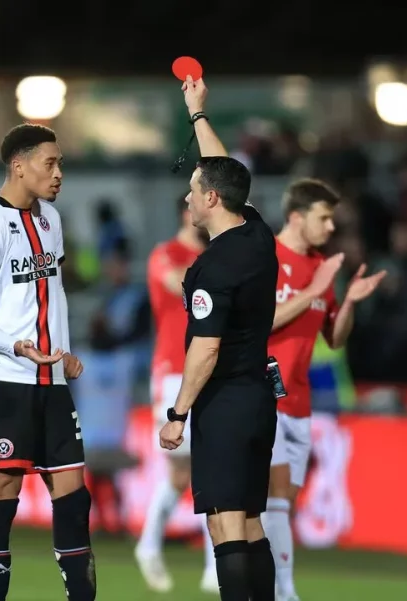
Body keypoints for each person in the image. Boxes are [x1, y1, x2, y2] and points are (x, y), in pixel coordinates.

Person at [0, 124, 93, 601]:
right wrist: (17, 347)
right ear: (19, 165)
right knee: (1, 500)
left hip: (52, 381)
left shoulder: (51, 219)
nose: (58, 174)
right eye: (49, 163)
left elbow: (52, 295)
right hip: (6, 380)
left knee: (75, 501)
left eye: (60, 164)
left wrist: (65, 351)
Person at [156, 75, 277, 601]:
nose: (187, 196)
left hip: (223, 404)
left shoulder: (211, 270)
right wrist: (198, 115)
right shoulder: (256, 236)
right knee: (250, 522)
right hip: (258, 399)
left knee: (225, 526)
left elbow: (205, 348)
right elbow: (227, 175)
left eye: (192, 190)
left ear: (209, 199)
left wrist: (178, 413)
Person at [264, 179, 385, 601]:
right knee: (275, 495)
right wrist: (312, 292)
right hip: (261, 391)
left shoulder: (321, 269)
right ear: (297, 217)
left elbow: (333, 338)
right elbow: (258, 321)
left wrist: (348, 301)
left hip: (299, 398)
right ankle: (284, 592)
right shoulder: (264, 256)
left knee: (282, 502)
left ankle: (264, 585)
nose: (330, 226)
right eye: (324, 217)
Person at [135, 197, 215, 593]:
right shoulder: (166, 253)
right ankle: (150, 545)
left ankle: (211, 566)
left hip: (210, 369)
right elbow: (173, 280)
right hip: (171, 369)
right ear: (188, 214)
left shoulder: (216, 255)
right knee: (183, 471)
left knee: (206, 467)